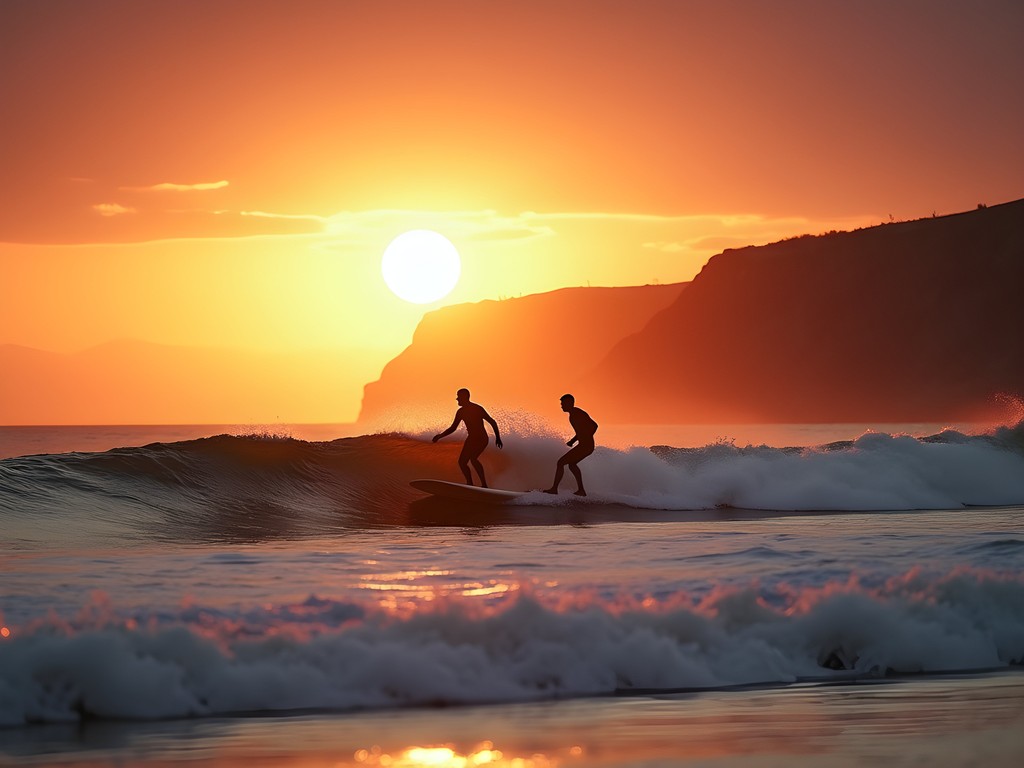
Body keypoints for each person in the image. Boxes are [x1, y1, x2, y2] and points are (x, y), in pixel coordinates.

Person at [433, 388, 503, 487]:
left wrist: (498, 437)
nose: (457, 399)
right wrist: (440, 436)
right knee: (462, 462)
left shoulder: (477, 408)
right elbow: (453, 428)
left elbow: (492, 421)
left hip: (482, 438)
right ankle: (470, 484)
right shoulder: (460, 412)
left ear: (464, 397)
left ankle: (484, 485)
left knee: (473, 459)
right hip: (471, 439)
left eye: (459, 397)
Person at [544, 393, 598, 496]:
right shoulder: (573, 415)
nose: (561, 406)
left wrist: (587, 437)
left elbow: (594, 426)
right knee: (572, 465)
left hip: (586, 446)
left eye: (563, 403)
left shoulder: (577, 413)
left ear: (569, 403)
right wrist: (573, 441)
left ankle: (554, 489)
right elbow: (581, 432)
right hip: (585, 445)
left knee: (560, 462)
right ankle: (581, 490)